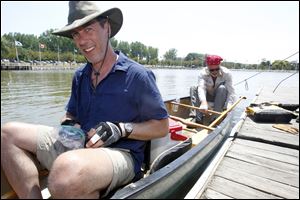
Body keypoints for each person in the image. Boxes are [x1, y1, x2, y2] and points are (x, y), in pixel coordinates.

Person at [1, 1, 169, 199]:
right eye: (76, 34)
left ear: (106, 27)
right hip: (79, 145)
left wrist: (121, 129)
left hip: (121, 154)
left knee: (66, 172)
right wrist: (70, 123)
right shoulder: (80, 76)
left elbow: (161, 126)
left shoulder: (138, 76)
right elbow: (71, 113)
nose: (81, 41)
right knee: (6, 133)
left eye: (88, 30)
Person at [190, 54, 236, 123]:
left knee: (222, 88)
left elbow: (231, 92)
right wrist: (203, 102)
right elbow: (201, 88)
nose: (214, 72)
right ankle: (197, 117)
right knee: (193, 88)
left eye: (217, 69)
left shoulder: (227, 73)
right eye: (211, 70)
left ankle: (215, 118)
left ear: (219, 66)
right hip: (207, 96)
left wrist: (228, 106)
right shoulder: (202, 73)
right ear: (207, 67)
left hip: (220, 98)